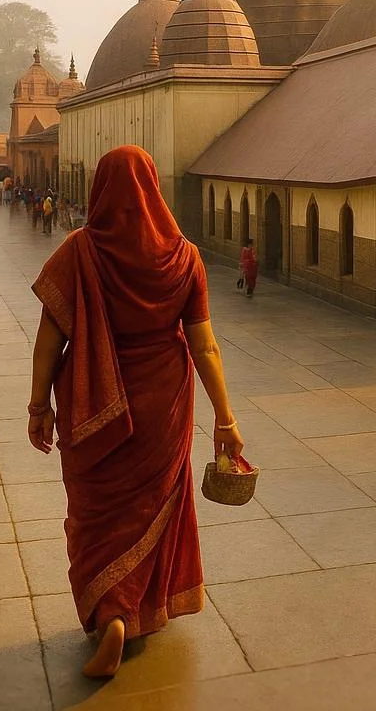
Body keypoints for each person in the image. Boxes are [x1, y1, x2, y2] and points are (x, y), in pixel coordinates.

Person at [27, 145, 243, 680]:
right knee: (151, 504)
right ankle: (135, 609)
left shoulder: (79, 251)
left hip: (90, 401)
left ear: (100, 190)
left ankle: (112, 613)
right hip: (161, 402)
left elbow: (47, 341)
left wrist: (39, 407)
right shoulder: (183, 257)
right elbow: (205, 346)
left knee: (96, 513)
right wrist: (225, 417)